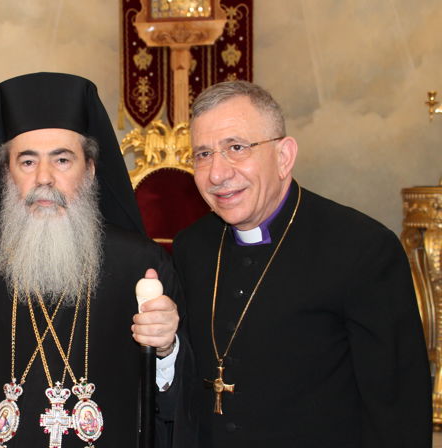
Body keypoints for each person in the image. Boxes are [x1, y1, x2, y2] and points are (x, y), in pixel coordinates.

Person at [0, 72, 197, 448]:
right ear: (7, 173)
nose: (44, 178)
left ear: (90, 169)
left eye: (62, 160)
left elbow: (177, 409)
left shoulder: (142, 266)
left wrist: (166, 349)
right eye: (26, 162)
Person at [173, 80, 431, 447]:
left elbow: (397, 408)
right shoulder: (190, 247)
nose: (216, 173)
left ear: (283, 157)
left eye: (236, 148)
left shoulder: (363, 248)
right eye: (202, 154)